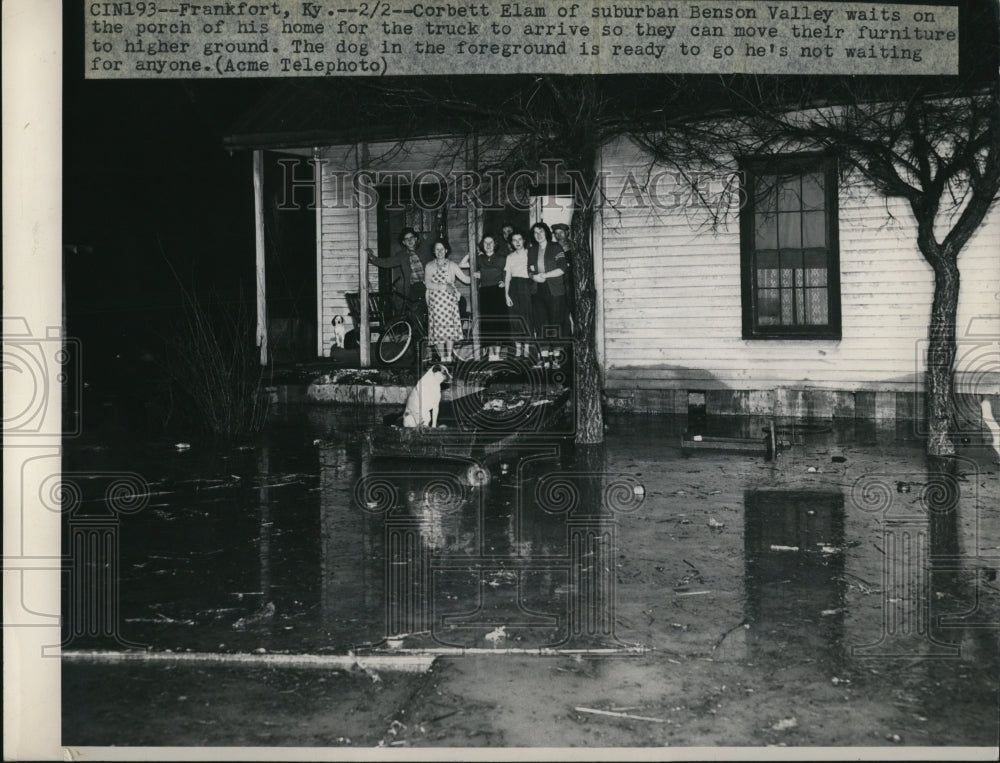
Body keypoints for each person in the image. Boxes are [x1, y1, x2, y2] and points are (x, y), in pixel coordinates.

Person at [424, 239, 471, 362]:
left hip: (449, 302)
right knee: (439, 330)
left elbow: (466, 280)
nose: (439, 251)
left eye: (442, 249)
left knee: (448, 329)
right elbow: (428, 284)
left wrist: (478, 274)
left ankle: (449, 357)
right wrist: (444, 287)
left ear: (446, 250)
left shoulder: (452, 265)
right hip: (435, 302)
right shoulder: (429, 266)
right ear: (434, 251)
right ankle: (442, 358)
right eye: (437, 249)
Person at [366, 227, 428, 315]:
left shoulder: (424, 251)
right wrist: (372, 258)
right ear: (403, 242)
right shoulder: (401, 256)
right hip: (414, 288)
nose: (409, 241)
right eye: (406, 239)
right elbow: (387, 262)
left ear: (416, 238)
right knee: (416, 314)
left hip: (429, 286)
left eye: (411, 238)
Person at [527, 221, 570, 340]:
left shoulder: (556, 247)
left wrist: (544, 275)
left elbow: (562, 268)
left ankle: (556, 353)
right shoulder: (532, 250)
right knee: (541, 322)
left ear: (546, 232)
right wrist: (533, 277)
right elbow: (529, 269)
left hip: (555, 289)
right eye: (535, 233)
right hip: (538, 289)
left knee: (556, 321)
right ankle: (545, 353)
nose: (538, 234)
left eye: (541, 231)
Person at [469, 235, 509, 350]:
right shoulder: (479, 259)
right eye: (485, 243)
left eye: (490, 242)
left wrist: (483, 274)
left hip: (498, 292)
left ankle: (499, 351)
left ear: (495, 244)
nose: (488, 245)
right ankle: (491, 353)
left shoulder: (502, 258)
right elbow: (463, 265)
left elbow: (503, 271)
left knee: (499, 321)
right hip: (485, 292)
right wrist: (471, 253)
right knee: (488, 322)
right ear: (482, 245)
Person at [503, 231, 535, 358]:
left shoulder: (530, 253)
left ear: (524, 240)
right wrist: (506, 295)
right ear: (511, 243)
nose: (517, 242)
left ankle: (526, 348)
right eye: (514, 240)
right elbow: (507, 277)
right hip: (514, 288)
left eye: (519, 239)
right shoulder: (510, 257)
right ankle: (518, 349)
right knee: (514, 318)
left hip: (527, 286)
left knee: (527, 317)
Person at [550, 222, 576, 334]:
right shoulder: (553, 249)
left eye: (561, 232)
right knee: (561, 316)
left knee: (576, 314)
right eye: (556, 233)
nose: (559, 236)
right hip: (559, 286)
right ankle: (566, 347)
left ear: (567, 233)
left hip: (574, 285)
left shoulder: (575, 247)